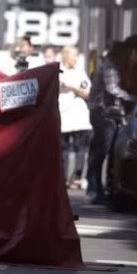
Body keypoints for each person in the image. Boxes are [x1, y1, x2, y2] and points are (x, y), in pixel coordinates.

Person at [85, 38, 137, 204]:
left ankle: (107, 188)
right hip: (102, 111)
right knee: (101, 149)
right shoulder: (111, 64)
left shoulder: (120, 65)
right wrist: (132, 98)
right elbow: (112, 88)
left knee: (111, 150)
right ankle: (93, 188)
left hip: (113, 113)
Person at [58, 46, 92, 188]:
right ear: (65, 56)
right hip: (63, 114)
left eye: (77, 55)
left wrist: (72, 87)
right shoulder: (58, 71)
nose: (76, 58)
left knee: (80, 147)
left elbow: (87, 92)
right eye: (73, 55)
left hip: (79, 116)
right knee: (63, 147)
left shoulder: (80, 73)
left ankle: (77, 178)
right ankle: (63, 178)